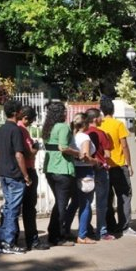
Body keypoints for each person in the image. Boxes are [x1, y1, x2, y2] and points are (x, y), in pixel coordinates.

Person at [0, 99, 31, 254]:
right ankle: (8, 242)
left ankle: (2, 240)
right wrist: (26, 175)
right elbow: (19, 154)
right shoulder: (15, 130)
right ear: (16, 113)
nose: (23, 112)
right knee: (13, 209)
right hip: (14, 175)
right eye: (21, 110)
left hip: (4, 172)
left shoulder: (1, 129)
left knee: (9, 207)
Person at [99, 96, 136, 237]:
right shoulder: (118, 124)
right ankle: (124, 226)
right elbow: (124, 145)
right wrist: (129, 164)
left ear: (101, 110)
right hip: (119, 165)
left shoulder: (99, 125)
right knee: (124, 195)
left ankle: (110, 225)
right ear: (113, 109)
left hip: (104, 166)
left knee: (107, 197)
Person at [41, 102, 78, 247]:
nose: (66, 113)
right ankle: (56, 236)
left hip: (50, 168)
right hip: (62, 168)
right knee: (62, 204)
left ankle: (54, 230)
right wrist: (78, 153)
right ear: (61, 113)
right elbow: (63, 147)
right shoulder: (62, 127)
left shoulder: (47, 127)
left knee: (59, 202)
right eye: (64, 111)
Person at [15, 106, 49, 251]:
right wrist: (35, 147)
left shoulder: (17, 129)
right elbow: (28, 153)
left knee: (17, 208)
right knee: (29, 208)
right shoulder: (21, 130)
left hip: (22, 171)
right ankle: (32, 240)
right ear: (25, 118)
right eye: (31, 120)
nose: (31, 123)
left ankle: (14, 238)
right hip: (27, 170)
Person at [82, 108, 115, 241]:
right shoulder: (101, 133)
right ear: (95, 119)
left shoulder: (83, 133)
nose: (103, 119)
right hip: (100, 168)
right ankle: (101, 231)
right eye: (101, 117)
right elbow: (107, 154)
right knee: (101, 202)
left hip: (86, 169)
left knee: (86, 202)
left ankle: (87, 229)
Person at [68, 113, 98, 245]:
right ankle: (82, 235)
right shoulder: (85, 137)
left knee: (74, 202)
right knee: (86, 204)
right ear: (85, 124)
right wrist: (95, 161)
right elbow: (85, 155)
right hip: (85, 170)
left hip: (74, 170)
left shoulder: (72, 137)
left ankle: (65, 228)